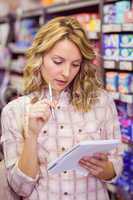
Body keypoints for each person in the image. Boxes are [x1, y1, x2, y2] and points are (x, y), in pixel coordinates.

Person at [1, 16, 123, 200]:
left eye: (75, 64)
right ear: (40, 56)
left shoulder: (101, 102)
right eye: (58, 62)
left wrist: (103, 169)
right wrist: (32, 135)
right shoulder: (15, 111)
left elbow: (116, 168)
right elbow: (20, 188)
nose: (66, 73)